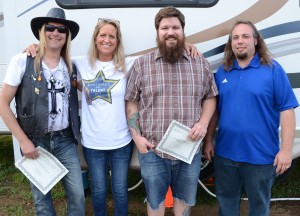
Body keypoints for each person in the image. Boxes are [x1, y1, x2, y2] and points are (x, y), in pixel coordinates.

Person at [25, 16, 200, 215]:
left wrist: (186, 43)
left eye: (112, 36)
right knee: (98, 191)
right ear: (95, 39)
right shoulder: (78, 63)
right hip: (92, 142)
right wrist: (34, 47)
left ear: (117, 41)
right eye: (102, 35)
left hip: (121, 141)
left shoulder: (129, 63)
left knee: (120, 191)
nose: (107, 40)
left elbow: (162, 49)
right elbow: (52, 57)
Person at [125, 6, 218, 216]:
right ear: (157, 32)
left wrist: (203, 124)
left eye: (175, 27)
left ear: (183, 31)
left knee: (183, 200)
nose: (170, 32)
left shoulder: (199, 63)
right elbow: (131, 103)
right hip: (152, 149)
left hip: (189, 149)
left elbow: (210, 97)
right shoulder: (142, 65)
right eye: (164, 27)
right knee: (156, 201)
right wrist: (137, 137)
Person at [203, 20, 299, 216]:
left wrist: (287, 150)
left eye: (245, 36)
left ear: (256, 40)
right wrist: (208, 141)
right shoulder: (223, 71)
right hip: (226, 156)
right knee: (227, 207)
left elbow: (287, 109)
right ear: (231, 43)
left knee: (258, 207)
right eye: (235, 37)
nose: (240, 41)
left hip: (261, 158)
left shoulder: (273, 69)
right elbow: (216, 110)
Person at [0, 8, 85, 216]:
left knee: (78, 194)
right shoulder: (22, 61)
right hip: (35, 140)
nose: (55, 33)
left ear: (67, 36)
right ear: (41, 31)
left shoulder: (71, 65)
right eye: (50, 27)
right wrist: (23, 141)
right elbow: (2, 103)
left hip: (65, 140)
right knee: (41, 199)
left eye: (61, 30)